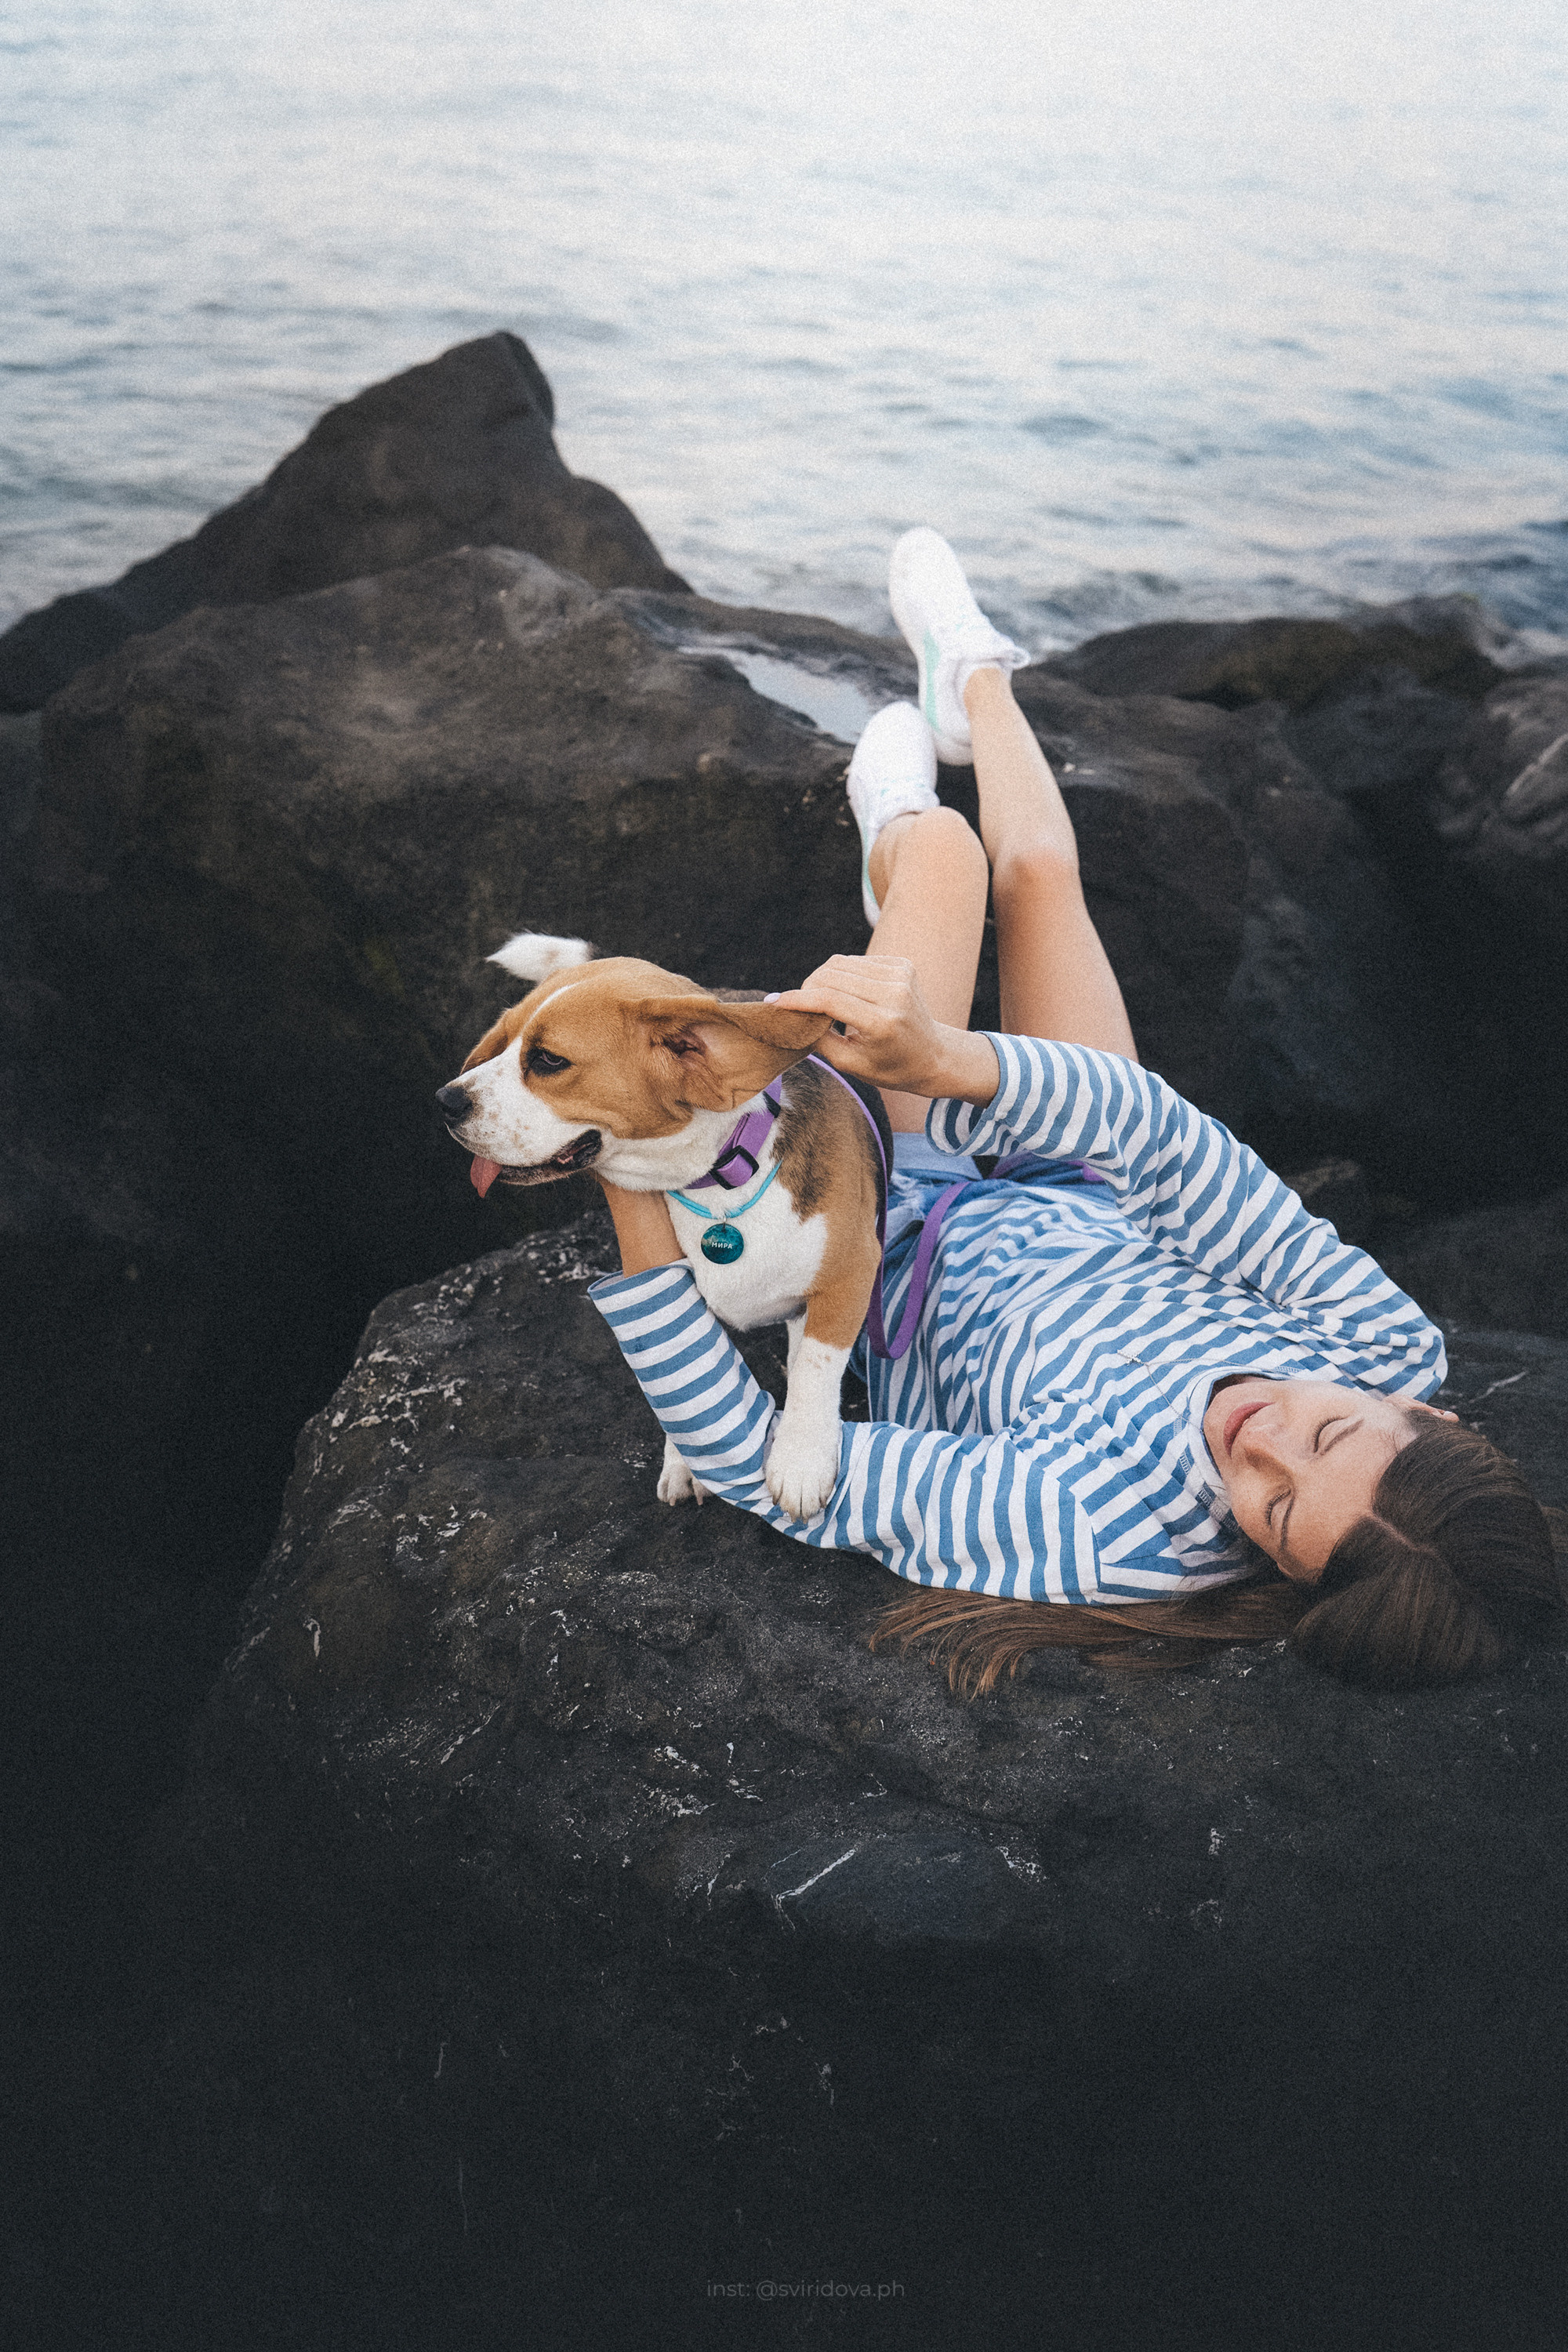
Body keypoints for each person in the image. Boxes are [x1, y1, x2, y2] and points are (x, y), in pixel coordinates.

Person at [590, 529, 1562, 1693]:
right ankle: (976, 674)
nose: (1261, 1445)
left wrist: (627, 1164)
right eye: (1327, 1433)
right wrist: (945, 1059)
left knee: (950, 853)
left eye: (1277, 1511)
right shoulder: (1386, 1344)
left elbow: (760, 1464)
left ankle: (898, 839)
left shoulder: (1106, 1534)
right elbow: (1163, 1139)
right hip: (1087, 1183)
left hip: (890, 1218)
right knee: (1042, 871)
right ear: (1430, 1418)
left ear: (1283, 1577)